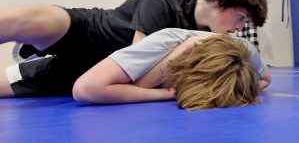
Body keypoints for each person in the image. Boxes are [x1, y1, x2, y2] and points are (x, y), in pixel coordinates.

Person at [0, 0, 268, 98]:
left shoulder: (207, 38)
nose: (240, 27)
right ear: (221, 0)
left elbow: (262, 77)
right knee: (28, 20)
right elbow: (139, 65)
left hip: (87, 73)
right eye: (241, 17)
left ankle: (31, 61)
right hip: (91, 35)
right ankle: (29, 42)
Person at [73, 28, 271, 110]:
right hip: (81, 48)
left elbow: (266, 79)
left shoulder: (246, 52)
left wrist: (244, 88)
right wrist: (165, 94)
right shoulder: (164, 42)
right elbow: (84, 89)